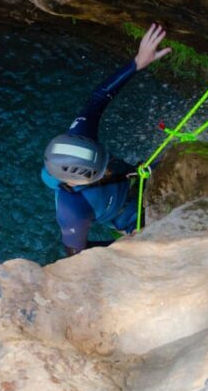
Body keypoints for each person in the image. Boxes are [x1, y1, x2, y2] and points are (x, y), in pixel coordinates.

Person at [41, 23, 172, 256]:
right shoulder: (72, 210)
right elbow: (76, 253)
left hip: (136, 177)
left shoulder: (81, 136)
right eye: (103, 170)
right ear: (78, 181)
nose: (108, 168)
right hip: (127, 219)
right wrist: (127, 243)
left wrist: (136, 63)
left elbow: (99, 97)